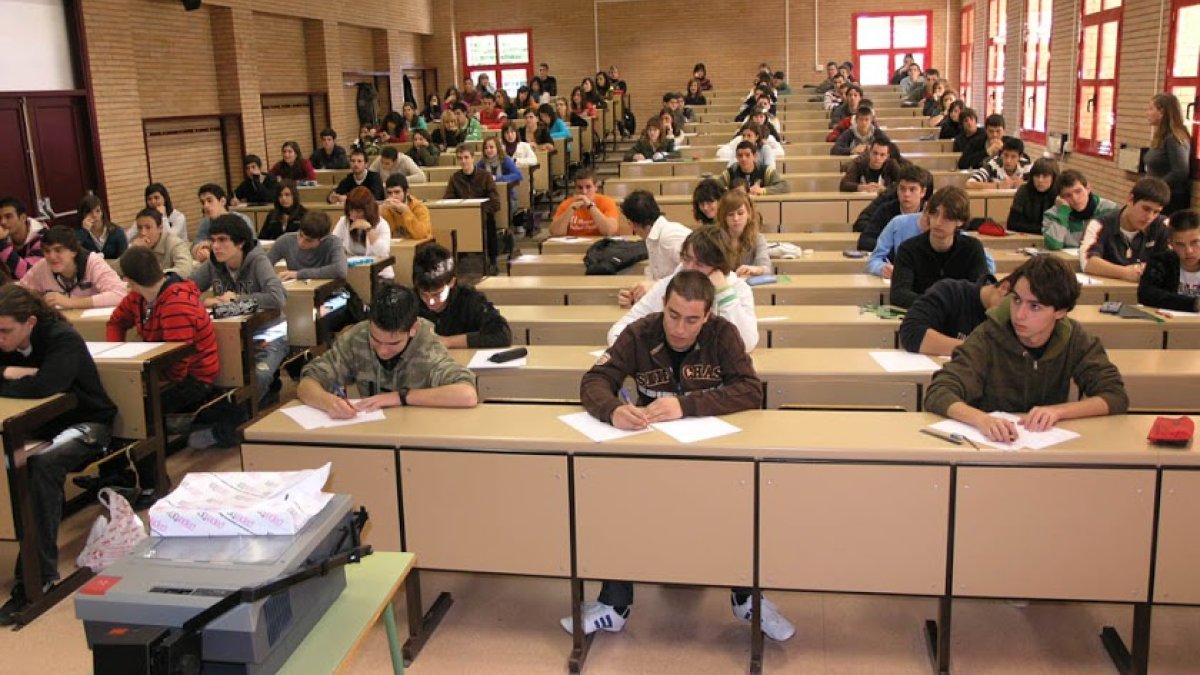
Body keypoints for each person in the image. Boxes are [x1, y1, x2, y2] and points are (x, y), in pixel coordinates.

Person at [569, 269, 793, 642]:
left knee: (744, 501)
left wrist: (687, 405)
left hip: (714, 453)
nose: (680, 328)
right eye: (673, 315)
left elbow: (750, 390)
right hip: (649, 450)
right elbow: (594, 380)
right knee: (613, 498)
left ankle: (746, 598)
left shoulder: (724, 335)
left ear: (708, 317)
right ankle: (614, 604)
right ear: (663, 305)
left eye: (692, 320)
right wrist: (612, 410)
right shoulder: (639, 332)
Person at [0, 285, 116, 625]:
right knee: (12, 464)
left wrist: (10, 377)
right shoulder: (6, 338)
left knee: (39, 466)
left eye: (6, 331)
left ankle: (39, 576)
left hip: (88, 424)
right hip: (35, 428)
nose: (0, 339)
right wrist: (13, 373)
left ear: (31, 322)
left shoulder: (61, 337)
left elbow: (46, 386)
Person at [924, 256, 1129, 442]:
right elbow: (939, 391)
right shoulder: (988, 335)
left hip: (1047, 444)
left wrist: (1058, 412)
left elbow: (1115, 395)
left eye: (1035, 307)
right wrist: (981, 420)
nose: (1019, 315)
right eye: (1016, 300)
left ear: (1060, 311)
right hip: (990, 447)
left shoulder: (1074, 338)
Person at [108, 247, 234, 450]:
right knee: (122, 398)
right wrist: (118, 357)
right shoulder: (138, 298)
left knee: (132, 408)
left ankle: (143, 461)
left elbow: (178, 364)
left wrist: (145, 383)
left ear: (129, 280)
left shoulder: (177, 302)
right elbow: (115, 322)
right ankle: (123, 465)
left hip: (193, 378)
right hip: (160, 369)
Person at [297, 283, 478, 417]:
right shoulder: (358, 336)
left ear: (413, 328)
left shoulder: (427, 346)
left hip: (419, 434)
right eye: (376, 340)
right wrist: (329, 402)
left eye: (393, 344)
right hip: (373, 436)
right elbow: (308, 382)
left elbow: (467, 394)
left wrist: (401, 397)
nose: (382, 351)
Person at [189, 214, 287, 407]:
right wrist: (205, 301)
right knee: (205, 379)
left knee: (259, 376)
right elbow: (185, 291)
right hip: (228, 338)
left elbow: (278, 298)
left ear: (240, 243)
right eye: (213, 240)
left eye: (222, 240)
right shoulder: (213, 265)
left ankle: (231, 425)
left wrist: (237, 301)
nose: (215, 246)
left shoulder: (258, 261)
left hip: (267, 335)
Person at [608, 227, 758, 351]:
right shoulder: (670, 285)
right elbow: (619, 330)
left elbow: (746, 344)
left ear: (718, 268)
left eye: (700, 264)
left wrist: (724, 294)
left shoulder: (738, 289)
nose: (689, 269)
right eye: (687, 259)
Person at [891, 187, 989, 308]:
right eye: (934, 214)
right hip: (922, 315)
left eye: (947, 217)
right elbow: (899, 294)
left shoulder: (972, 248)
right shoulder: (908, 249)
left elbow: (981, 291)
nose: (938, 222)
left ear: (960, 221)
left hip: (959, 318)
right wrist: (938, 304)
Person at [412, 243, 511, 348]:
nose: (430, 301)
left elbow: (502, 334)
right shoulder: (410, 301)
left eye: (437, 294)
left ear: (452, 282)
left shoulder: (469, 299)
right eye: (423, 294)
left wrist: (447, 342)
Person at [1079, 177, 1171, 282]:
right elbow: (1088, 262)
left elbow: (1175, 264)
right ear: (1130, 199)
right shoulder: (1099, 225)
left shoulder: (1163, 225)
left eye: (1156, 212)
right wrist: (1126, 272)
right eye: (1146, 209)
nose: (1150, 217)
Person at [899, 275, 1012, 356]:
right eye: (1016, 301)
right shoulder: (950, 292)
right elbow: (911, 332)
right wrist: (977, 349)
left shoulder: (1020, 322)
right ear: (1004, 288)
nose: (1020, 313)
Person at [617, 191, 692, 308]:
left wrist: (654, 285)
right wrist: (637, 294)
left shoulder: (670, 236)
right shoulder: (652, 237)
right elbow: (654, 278)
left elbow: (693, 275)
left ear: (632, 223)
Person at [20, 226, 126, 308]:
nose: (51, 257)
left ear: (74, 251)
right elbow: (19, 292)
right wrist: (38, 301)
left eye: (58, 250)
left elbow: (120, 294)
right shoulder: (42, 266)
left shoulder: (92, 262)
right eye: (47, 251)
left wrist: (70, 302)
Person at [445, 145, 502, 273]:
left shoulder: (485, 176)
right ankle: (456, 260)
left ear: (472, 158)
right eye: (460, 158)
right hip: (463, 216)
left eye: (466, 157)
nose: (463, 161)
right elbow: (448, 199)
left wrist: (480, 210)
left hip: (483, 215)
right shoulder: (455, 178)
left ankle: (493, 260)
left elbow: (495, 202)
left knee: (490, 222)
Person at [855, 165, 933, 251]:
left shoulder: (931, 213)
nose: (906, 194)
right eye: (902, 189)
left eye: (912, 189)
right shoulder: (885, 210)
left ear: (923, 192)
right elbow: (865, 241)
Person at [1139, 209, 1200, 312]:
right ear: (1170, 244)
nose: (1189, 251)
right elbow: (1146, 294)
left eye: (1195, 242)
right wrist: (1194, 304)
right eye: (1180, 245)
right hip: (1171, 325)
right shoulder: (1160, 262)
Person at [1042, 170, 1119, 250]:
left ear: (1088, 189)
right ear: (1061, 198)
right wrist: (1064, 212)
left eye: (1078, 191)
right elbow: (1053, 245)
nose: (1075, 199)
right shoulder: (1052, 214)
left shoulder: (1109, 209)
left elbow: (1114, 246)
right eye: (1068, 195)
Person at [1144, 93, 1192, 216]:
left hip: (1169, 200)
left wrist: (1155, 188)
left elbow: (1180, 171)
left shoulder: (1174, 138)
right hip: (1155, 196)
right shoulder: (1161, 136)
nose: (1147, 113)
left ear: (1162, 112)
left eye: (1151, 109)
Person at [267, 210, 348, 281]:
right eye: (300, 235)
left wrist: (298, 274)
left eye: (308, 240)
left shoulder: (333, 242)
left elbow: (340, 270)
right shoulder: (285, 240)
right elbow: (263, 265)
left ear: (322, 239)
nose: (301, 242)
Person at [332, 187, 393, 279]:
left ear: (368, 210)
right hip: (353, 273)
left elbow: (382, 253)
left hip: (379, 275)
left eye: (358, 211)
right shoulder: (344, 222)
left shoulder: (381, 224)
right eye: (350, 210)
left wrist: (369, 229)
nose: (353, 215)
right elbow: (333, 245)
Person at [191, 184, 255, 262]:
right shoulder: (206, 222)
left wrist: (210, 245)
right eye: (203, 202)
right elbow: (196, 244)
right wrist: (201, 251)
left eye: (210, 201)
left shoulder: (241, 220)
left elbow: (251, 247)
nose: (206, 206)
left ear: (223, 201)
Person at [551, 168, 620, 237]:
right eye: (580, 188)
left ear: (596, 187)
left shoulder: (607, 202)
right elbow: (556, 233)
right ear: (575, 189)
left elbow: (609, 231)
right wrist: (571, 209)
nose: (584, 192)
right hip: (574, 246)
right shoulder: (567, 205)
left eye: (588, 187)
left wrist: (590, 206)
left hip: (599, 245)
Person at [127, 208, 193, 277]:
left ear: (160, 228)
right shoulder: (138, 246)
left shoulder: (175, 243)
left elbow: (184, 270)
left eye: (148, 227)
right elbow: (118, 271)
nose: (143, 233)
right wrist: (132, 252)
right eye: (139, 228)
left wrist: (156, 277)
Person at [718, 190, 769, 277]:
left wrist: (755, 269)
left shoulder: (758, 238)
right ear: (724, 217)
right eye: (730, 214)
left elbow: (766, 268)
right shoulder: (715, 239)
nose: (736, 218)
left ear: (749, 214)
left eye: (740, 213)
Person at [1006, 158, 1059, 234]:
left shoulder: (1059, 194)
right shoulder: (1024, 191)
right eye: (1037, 176)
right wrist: (1043, 229)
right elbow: (1012, 224)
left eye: (1045, 176)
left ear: (1053, 178)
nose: (1040, 180)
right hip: (1026, 239)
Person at [719, 141, 789, 195]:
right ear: (736, 157)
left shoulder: (766, 171)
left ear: (755, 156)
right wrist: (727, 192)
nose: (743, 159)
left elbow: (785, 186)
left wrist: (763, 190)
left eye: (747, 155)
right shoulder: (730, 172)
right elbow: (716, 187)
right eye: (740, 155)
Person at [0, 196, 45, 280]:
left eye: (8, 217)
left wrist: (2, 244)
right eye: (0, 218)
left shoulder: (43, 238)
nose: (3, 222)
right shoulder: (5, 236)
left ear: (23, 218)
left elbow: (29, 275)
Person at [73, 194, 127, 260]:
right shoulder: (78, 234)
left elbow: (125, 258)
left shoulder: (117, 232)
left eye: (98, 211)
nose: (94, 215)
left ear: (102, 213)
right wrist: (84, 231)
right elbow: (73, 253)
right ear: (83, 215)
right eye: (89, 212)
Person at [381, 173, 432, 240]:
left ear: (407, 192)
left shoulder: (420, 208)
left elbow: (421, 235)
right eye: (389, 193)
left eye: (397, 192)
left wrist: (405, 211)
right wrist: (381, 212)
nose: (393, 197)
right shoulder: (386, 209)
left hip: (420, 247)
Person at [966, 137, 1032, 189]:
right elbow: (969, 184)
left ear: (1020, 157)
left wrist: (1024, 185)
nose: (1008, 160)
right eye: (1005, 155)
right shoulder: (993, 164)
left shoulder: (1026, 165)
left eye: (1013, 157)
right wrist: (998, 186)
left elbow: (1037, 184)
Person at [478, 136, 522, 208]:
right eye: (486, 148)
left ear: (497, 148)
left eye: (491, 147)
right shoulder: (482, 162)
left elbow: (518, 175)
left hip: (509, 197)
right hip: (489, 197)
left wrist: (497, 178)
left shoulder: (505, 160)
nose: (488, 150)